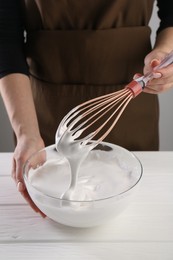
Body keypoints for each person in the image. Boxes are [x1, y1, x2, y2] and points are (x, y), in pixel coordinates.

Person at [0, 0, 173, 215]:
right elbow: (5, 35)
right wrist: (27, 134)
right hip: (41, 110)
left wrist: (164, 53)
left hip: (132, 110)